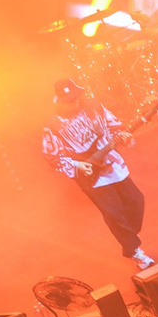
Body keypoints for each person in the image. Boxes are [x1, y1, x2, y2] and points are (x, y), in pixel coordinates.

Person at [42, 79, 152, 266]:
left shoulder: (93, 106)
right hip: (90, 174)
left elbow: (115, 127)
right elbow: (52, 156)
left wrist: (124, 137)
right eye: (69, 100)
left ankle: (127, 235)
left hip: (111, 162)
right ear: (59, 101)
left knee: (136, 201)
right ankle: (134, 250)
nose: (75, 101)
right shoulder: (52, 123)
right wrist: (76, 166)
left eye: (76, 97)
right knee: (114, 214)